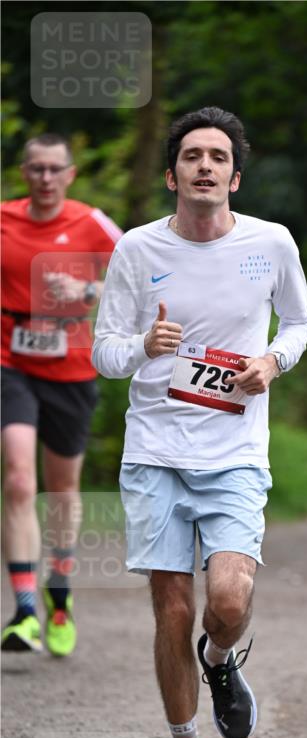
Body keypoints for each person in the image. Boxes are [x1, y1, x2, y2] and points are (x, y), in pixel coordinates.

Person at [92, 106, 307, 738]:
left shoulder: (270, 243)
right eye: (192, 155)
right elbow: (104, 353)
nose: (205, 166)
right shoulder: (137, 249)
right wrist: (142, 349)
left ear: (235, 177)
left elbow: (301, 321)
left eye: (217, 156)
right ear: (172, 174)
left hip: (235, 450)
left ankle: (220, 662)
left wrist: (272, 362)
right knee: (172, 610)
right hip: (156, 449)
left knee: (227, 597)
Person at [1, 134, 122, 655]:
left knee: (62, 491)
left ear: (70, 175)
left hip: (72, 366)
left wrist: (90, 292)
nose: (45, 178)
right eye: (36, 169)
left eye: (55, 170)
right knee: (20, 480)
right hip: (10, 362)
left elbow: (144, 274)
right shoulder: (3, 218)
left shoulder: (92, 222)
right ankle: (24, 609)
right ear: (24, 173)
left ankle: (60, 593)